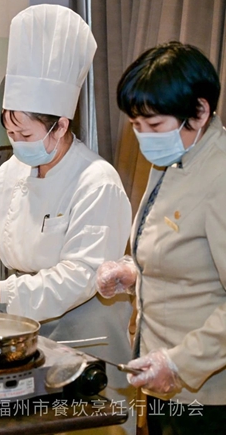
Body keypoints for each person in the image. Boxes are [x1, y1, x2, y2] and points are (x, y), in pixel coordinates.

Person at [0, 5, 135, 430]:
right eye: (10, 134)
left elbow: (78, 276)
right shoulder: (14, 171)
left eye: (27, 135)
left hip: (85, 343)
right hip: (29, 336)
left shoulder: (96, 181)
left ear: (60, 125)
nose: (16, 144)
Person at [96, 41, 226, 434]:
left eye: (153, 126)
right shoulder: (174, 156)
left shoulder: (219, 175)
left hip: (207, 394)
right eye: (136, 126)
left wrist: (180, 363)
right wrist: (132, 269)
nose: (143, 137)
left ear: (199, 112)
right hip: (161, 377)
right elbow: (179, 247)